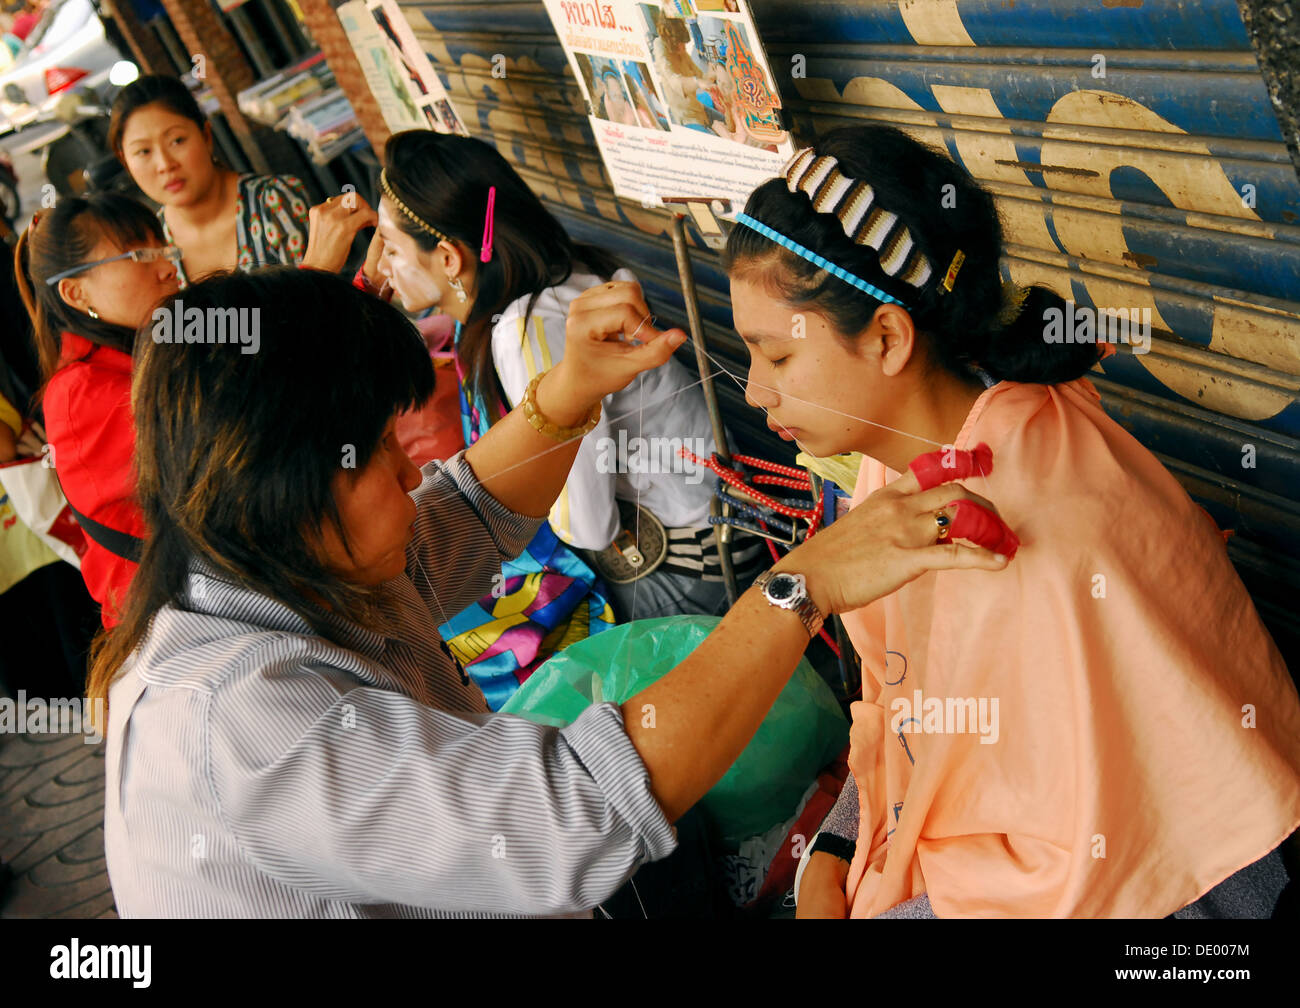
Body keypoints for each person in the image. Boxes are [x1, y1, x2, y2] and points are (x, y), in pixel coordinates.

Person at [95, 266, 1012, 917]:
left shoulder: (277, 569)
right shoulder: (239, 720)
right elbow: (572, 809)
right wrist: (797, 585)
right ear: (289, 483)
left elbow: (459, 513)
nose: (414, 478)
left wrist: (574, 391)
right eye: (382, 451)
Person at [722, 126, 1300, 918]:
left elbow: (1088, 864)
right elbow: (915, 719)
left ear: (889, 338)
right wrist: (835, 844)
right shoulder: (910, 459)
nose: (755, 392)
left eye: (777, 357)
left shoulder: (1036, 534)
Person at [366, 129, 763, 626]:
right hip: (712, 540)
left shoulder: (528, 328)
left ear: (449, 258)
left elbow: (588, 524)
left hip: (685, 570)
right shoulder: (545, 286)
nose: (379, 265)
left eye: (391, 249)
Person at [13, 194, 180, 628]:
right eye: (141, 255)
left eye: (165, 249)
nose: (167, 267)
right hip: (176, 626)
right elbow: (237, 445)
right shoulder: (84, 393)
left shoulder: (153, 343)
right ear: (74, 292)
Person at [108, 75, 375, 285]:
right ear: (125, 162)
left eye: (177, 140)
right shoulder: (154, 247)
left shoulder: (271, 201)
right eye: (143, 151)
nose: (165, 164)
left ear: (206, 136)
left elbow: (320, 303)